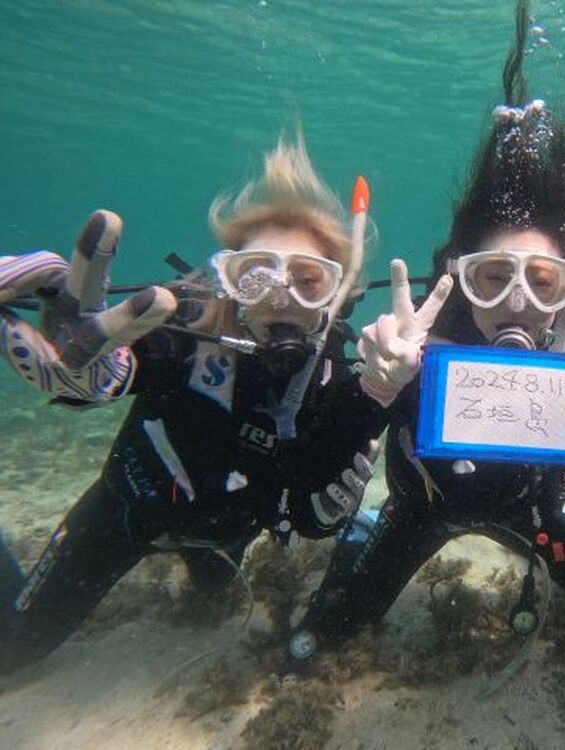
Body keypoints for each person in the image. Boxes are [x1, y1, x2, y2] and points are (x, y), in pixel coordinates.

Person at [292, 0, 565, 655]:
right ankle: (370, 526)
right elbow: (310, 486)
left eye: (545, 281)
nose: (518, 301)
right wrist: (372, 390)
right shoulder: (415, 348)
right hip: (419, 508)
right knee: (329, 630)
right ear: (460, 277)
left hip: (532, 513)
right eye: (492, 277)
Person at [0, 132, 384, 675]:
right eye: (255, 277)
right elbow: (128, 358)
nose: (280, 296)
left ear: (337, 295)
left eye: (307, 280)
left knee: (212, 593)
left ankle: (206, 563)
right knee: (14, 648)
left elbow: (308, 507)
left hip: (226, 534)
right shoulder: (186, 327)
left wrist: (330, 508)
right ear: (227, 284)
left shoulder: (333, 381)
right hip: (126, 514)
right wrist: (88, 376)